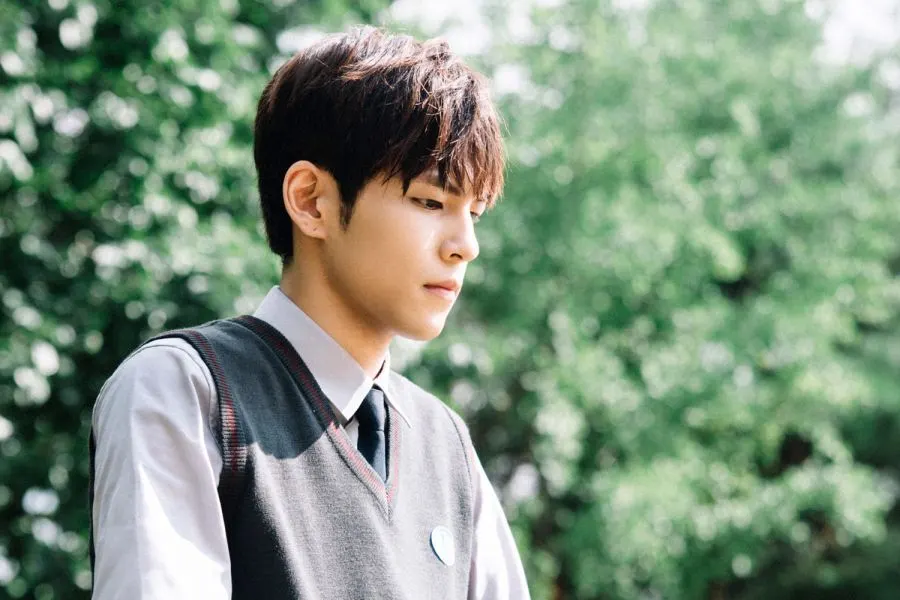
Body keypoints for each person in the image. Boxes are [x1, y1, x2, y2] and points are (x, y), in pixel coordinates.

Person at [89, 25, 530, 599]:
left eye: (475, 213)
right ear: (311, 201)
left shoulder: (447, 449)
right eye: (430, 201)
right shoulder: (185, 390)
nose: (465, 245)